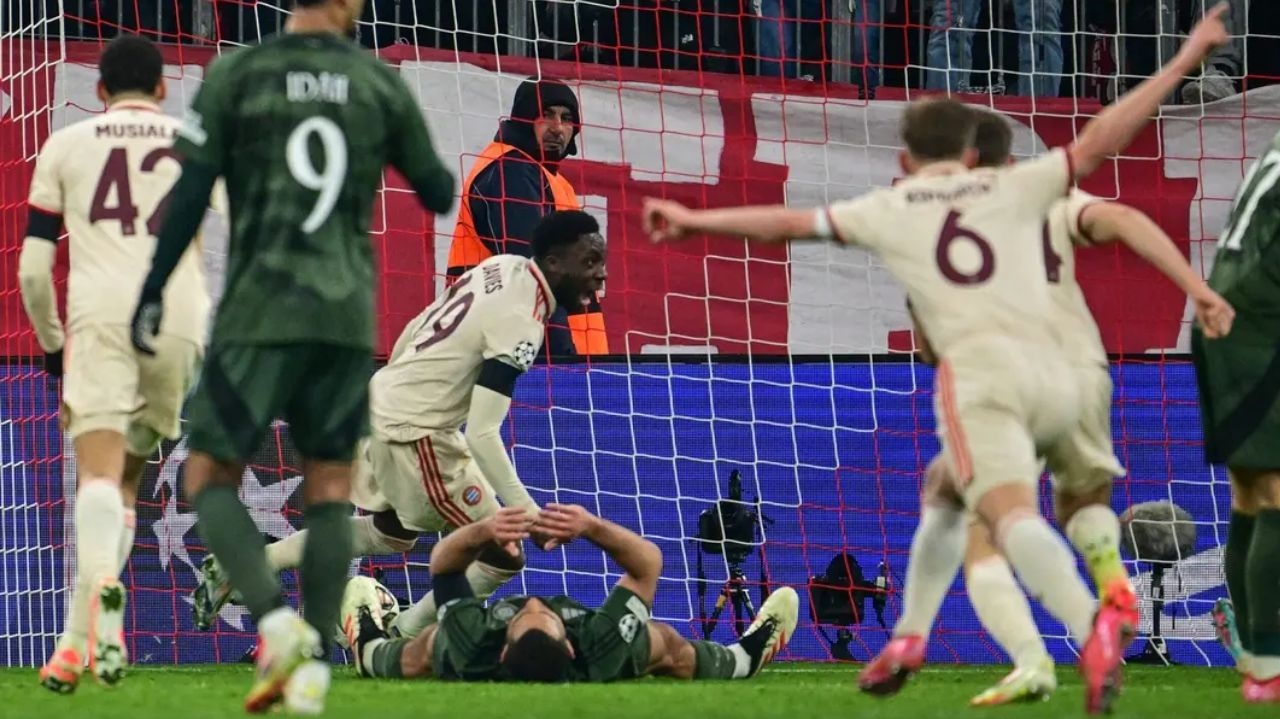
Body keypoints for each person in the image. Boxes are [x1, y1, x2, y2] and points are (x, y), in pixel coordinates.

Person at [640, 8, 1229, 713]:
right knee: (985, 491)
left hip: (989, 376)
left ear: (905, 157)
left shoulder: (901, 204)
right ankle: (942, 632)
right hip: (1077, 367)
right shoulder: (1027, 185)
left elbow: (791, 224)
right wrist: (1183, 57)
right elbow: (1106, 149)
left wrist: (695, 220)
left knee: (999, 519)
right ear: (980, 155)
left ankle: (1087, 620)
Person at [128, 0, 456, 711]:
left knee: (209, 476)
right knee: (333, 488)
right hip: (343, 317)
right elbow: (438, 189)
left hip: (257, 311)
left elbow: (186, 193)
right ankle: (314, 656)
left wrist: (152, 287)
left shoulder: (236, 73)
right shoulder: (377, 82)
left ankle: (278, 625)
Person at [924, 110, 1234, 707]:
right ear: (1011, 163)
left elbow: (933, 340)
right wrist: (1197, 290)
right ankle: (1113, 586)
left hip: (1011, 383)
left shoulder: (942, 228)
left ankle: (1031, 659)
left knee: (979, 523)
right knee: (1083, 505)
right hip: (1085, 375)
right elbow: (1121, 218)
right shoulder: (1048, 197)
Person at [192, 210, 608, 640]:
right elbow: (482, 434)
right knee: (504, 552)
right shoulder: (522, 321)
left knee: (393, 532)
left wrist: (403, 386)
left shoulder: (501, 267)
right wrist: (528, 513)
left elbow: (415, 327)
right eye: (590, 261)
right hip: (416, 430)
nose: (601, 274)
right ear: (555, 263)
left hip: (383, 401)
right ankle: (400, 638)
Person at [19, 35, 211, 694]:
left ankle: (97, 601)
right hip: (179, 317)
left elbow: (33, 269)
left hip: (101, 315)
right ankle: (74, 644)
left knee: (95, 478)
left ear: (99, 91)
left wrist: (50, 343)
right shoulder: (194, 140)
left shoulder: (67, 146)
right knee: (126, 478)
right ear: (162, 88)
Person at [342, 504, 798, 683]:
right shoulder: (601, 646)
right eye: (544, 617)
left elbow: (442, 563)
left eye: (524, 617)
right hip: (601, 655)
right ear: (567, 640)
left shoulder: (472, 645)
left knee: (422, 652)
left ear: (504, 646)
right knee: (661, 643)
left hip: (467, 652)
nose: (535, 605)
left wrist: (484, 529)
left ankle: (368, 646)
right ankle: (744, 658)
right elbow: (647, 565)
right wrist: (591, 527)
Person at [1192, 125, 1280, 704]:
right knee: (1272, 494)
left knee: (1251, 495)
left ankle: (1255, 658)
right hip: (1252, 326)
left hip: (1226, 320)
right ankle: (1267, 667)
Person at [446, 76, 608, 355]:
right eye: (546, 115)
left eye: (567, 118)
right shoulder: (512, 171)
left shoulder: (547, 178)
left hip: (553, 370)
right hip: (537, 374)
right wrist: (562, 362)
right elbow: (534, 276)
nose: (558, 128)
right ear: (523, 119)